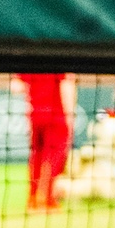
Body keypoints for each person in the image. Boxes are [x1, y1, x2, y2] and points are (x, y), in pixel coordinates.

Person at [18, 72, 71, 210]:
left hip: (35, 114)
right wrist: (70, 115)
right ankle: (46, 198)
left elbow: (16, 86)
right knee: (55, 156)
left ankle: (33, 197)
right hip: (55, 115)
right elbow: (67, 85)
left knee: (37, 156)